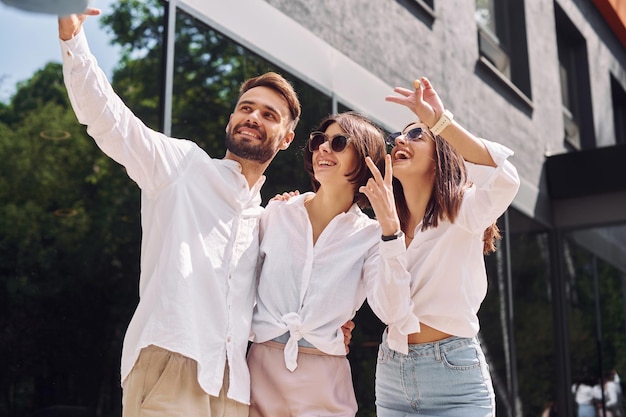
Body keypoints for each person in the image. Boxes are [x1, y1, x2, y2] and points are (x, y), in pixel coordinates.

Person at [57, 8, 305, 417]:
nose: (252, 117)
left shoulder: (266, 218)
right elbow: (109, 120)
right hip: (170, 360)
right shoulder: (182, 165)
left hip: (233, 388)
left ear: (286, 138)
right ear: (231, 118)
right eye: (246, 107)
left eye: (268, 114)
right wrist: (73, 40)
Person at [362, 77, 520, 416]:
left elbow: (505, 177)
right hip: (393, 376)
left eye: (417, 133)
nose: (401, 139)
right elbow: (389, 312)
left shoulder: (463, 211)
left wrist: (440, 121)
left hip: (456, 379)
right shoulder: (381, 229)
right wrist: (390, 233)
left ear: (439, 158)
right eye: (397, 137)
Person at [246, 111, 420, 416]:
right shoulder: (275, 214)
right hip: (259, 373)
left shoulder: (373, 237)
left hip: (324, 383)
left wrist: (392, 230)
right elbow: (240, 286)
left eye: (339, 142)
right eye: (318, 141)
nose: (323, 149)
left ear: (365, 158)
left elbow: (393, 312)